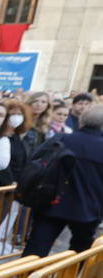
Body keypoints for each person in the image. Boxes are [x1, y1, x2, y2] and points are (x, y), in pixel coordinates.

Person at [23, 105, 103, 256]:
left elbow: (35, 160)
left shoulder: (61, 139)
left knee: (35, 250)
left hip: (51, 202)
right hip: (89, 209)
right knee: (80, 252)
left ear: (82, 121)